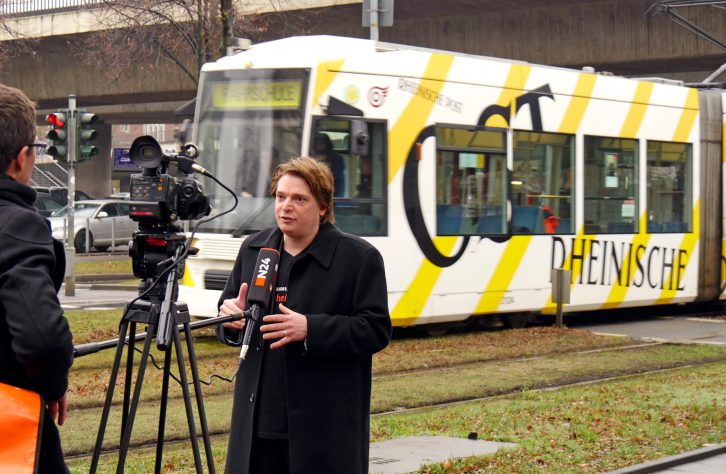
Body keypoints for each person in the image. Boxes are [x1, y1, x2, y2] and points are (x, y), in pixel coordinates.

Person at [217, 156, 391, 474]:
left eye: (299, 199)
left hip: (323, 432)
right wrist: (230, 321)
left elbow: (376, 329)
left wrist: (311, 328)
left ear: (323, 207)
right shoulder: (254, 250)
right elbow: (230, 312)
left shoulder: (359, 258)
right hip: (256, 428)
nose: (286, 207)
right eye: (281, 197)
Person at [0, 84, 74, 472]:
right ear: (23, 156)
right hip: (9, 428)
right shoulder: (18, 226)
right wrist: (53, 381)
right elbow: (42, 338)